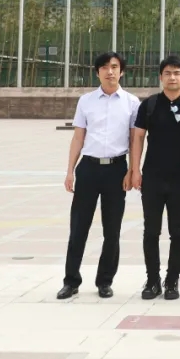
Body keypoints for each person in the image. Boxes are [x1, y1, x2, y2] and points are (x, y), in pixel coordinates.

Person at [57, 51, 139, 300]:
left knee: (112, 229)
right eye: (104, 67)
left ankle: (105, 281)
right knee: (78, 227)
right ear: (97, 72)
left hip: (116, 170)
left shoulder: (132, 103)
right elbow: (78, 137)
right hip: (89, 169)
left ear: (121, 71)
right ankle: (71, 281)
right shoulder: (86, 101)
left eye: (114, 67)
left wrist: (133, 170)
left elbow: (135, 140)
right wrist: (70, 170)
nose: (109, 71)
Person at [129, 55, 180, 301]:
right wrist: (135, 170)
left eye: (177, 73)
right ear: (160, 77)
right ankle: (152, 280)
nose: (172, 77)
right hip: (152, 177)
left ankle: (172, 280)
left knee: (178, 231)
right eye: (168, 73)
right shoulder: (149, 105)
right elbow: (138, 138)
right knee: (151, 230)